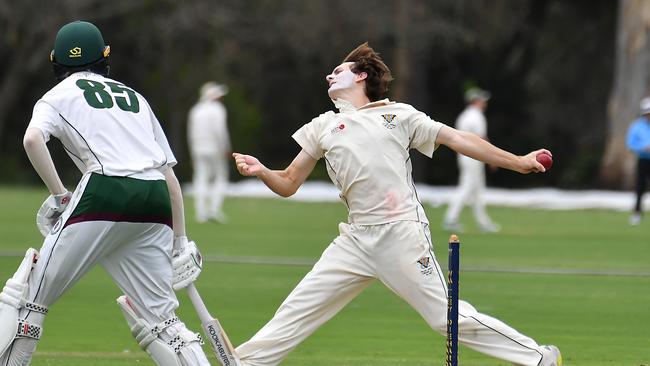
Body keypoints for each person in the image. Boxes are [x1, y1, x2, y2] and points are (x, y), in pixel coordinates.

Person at [232, 43, 562, 366]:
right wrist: (262, 170)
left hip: (401, 233)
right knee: (299, 307)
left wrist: (518, 161)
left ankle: (539, 357)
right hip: (356, 239)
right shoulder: (323, 126)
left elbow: (459, 139)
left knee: (444, 318)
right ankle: (247, 362)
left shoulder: (398, 115)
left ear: (360, 76)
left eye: (338, 71)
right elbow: (289, 182)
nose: (328, 76)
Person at [0, 21, 210, 365]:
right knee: (165, 320)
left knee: (29, 302)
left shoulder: (54, 97)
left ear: (57, 62)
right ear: (104, 58)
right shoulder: (135, 98)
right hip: (154, 201)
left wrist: (60, 196)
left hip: (105, 191)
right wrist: (180, 239)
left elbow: (32, 139)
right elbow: (167, 174)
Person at [442, 87, 500, 233]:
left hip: (464, 155)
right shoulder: (477, 116)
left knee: (477, 190)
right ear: (476, 101)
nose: (485, 103)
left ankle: (483, 222)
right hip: (474, 156)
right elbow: (482, 139)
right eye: (482, 100)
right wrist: (493, 158)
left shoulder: (464, 116)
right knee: (468, 187)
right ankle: (450, 219)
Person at [188, 82, 231, 223]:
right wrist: (226, 147)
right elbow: (220, 131)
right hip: (214, 148)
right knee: (220, 177)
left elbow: (191, 134)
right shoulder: (217, 109)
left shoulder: (196, 110)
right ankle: (214, 210)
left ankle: (201, 213)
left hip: (199, 148)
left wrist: (193, 153)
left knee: (201, 179)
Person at [626, 96, 650, 226]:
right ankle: (637, 214)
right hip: (643, 160)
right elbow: (630, 144)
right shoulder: (637, 126)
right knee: (640, 187)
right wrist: (643, 148)